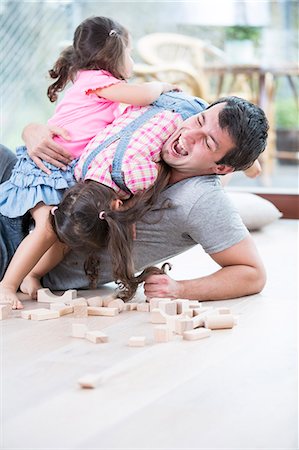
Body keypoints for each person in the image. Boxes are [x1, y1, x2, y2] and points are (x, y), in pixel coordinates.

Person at [0, 94, 268, 308]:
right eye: (199, 121)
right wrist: (32, 131)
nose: (188, 135)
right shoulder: (168, 124)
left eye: (207, 143)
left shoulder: (199, 200)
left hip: (22, 252)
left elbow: (252, 273)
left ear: (221, 168)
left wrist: (181, 290)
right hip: (26, 189)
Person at [0, 15, 179, 309]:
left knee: (59, 235)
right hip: (47, 170)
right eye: (130, 53)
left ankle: (31, 275)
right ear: (115, 53)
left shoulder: (94, 84)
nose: (131, 61)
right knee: (46, 226)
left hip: (62, 170)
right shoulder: (97, 81)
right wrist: (161, 85)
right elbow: (144, 95)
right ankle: (6, 285)